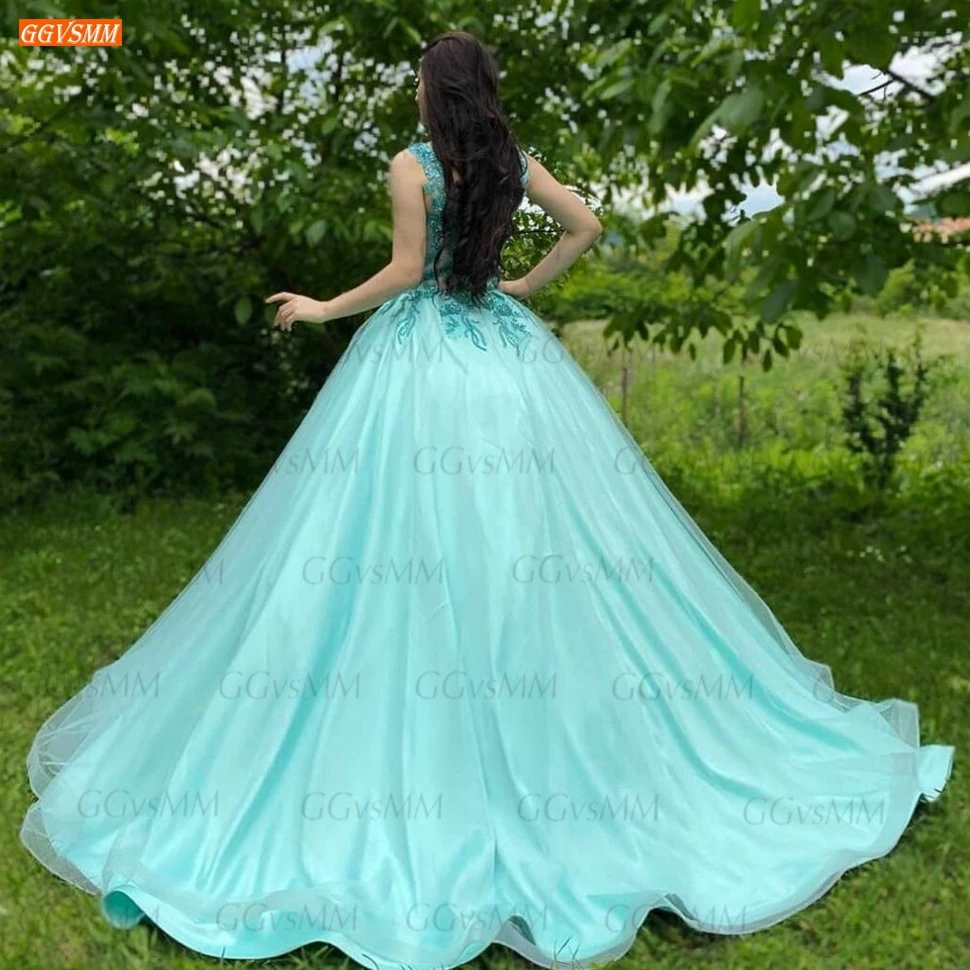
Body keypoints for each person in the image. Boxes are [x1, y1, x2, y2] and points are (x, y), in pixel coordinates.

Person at [21, 28, 952, 970]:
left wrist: (321, 308)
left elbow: (404, 273)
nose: (415, 91)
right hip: (504, 359)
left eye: (420, 80)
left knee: (385, 528)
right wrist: (526, 282)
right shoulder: (512, 160)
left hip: (421, 364)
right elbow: (586, 225)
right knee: (528, 532)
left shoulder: (412, 166)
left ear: (435, 90)